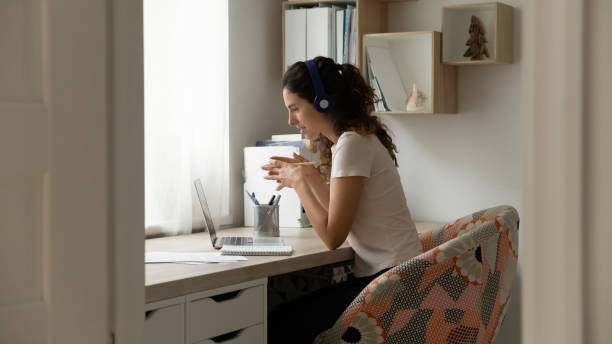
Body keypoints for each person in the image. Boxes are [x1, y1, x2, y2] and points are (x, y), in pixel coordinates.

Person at [263, 56, 422, 343]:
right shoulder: (351, 142)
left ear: (322, 102)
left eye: (295, 109)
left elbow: (333, 236)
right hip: (394, 277)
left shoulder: (351, 145)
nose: (291, 120)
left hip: (390, 283)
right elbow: (339, 213)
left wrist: (301, 182)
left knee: (277, 325)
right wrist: (309, 176)